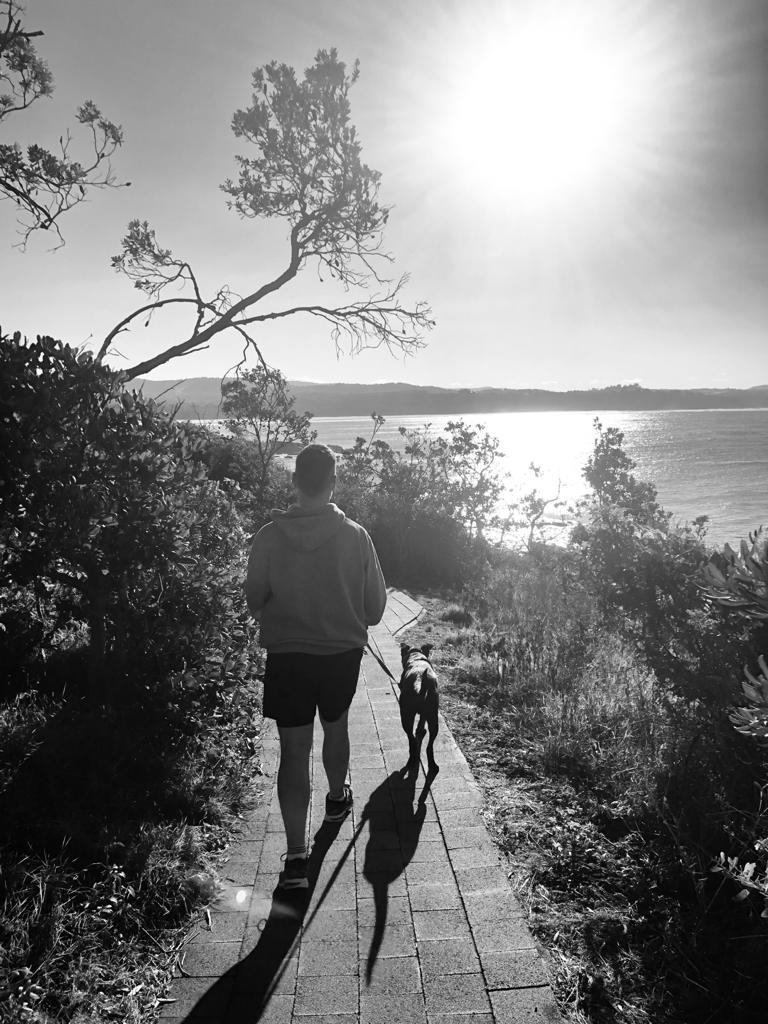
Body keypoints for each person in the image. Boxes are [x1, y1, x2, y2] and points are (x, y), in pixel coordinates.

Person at [245, 443, 387, 891]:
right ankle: (336, 799)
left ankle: (296, 858)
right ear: (332, 482)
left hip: (287, 657)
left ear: (294, 482)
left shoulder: (268, 536)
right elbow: (377, 610)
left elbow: (253, 601)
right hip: (339, 655)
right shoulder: (357, 536)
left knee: (292, 751)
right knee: (336, 727)